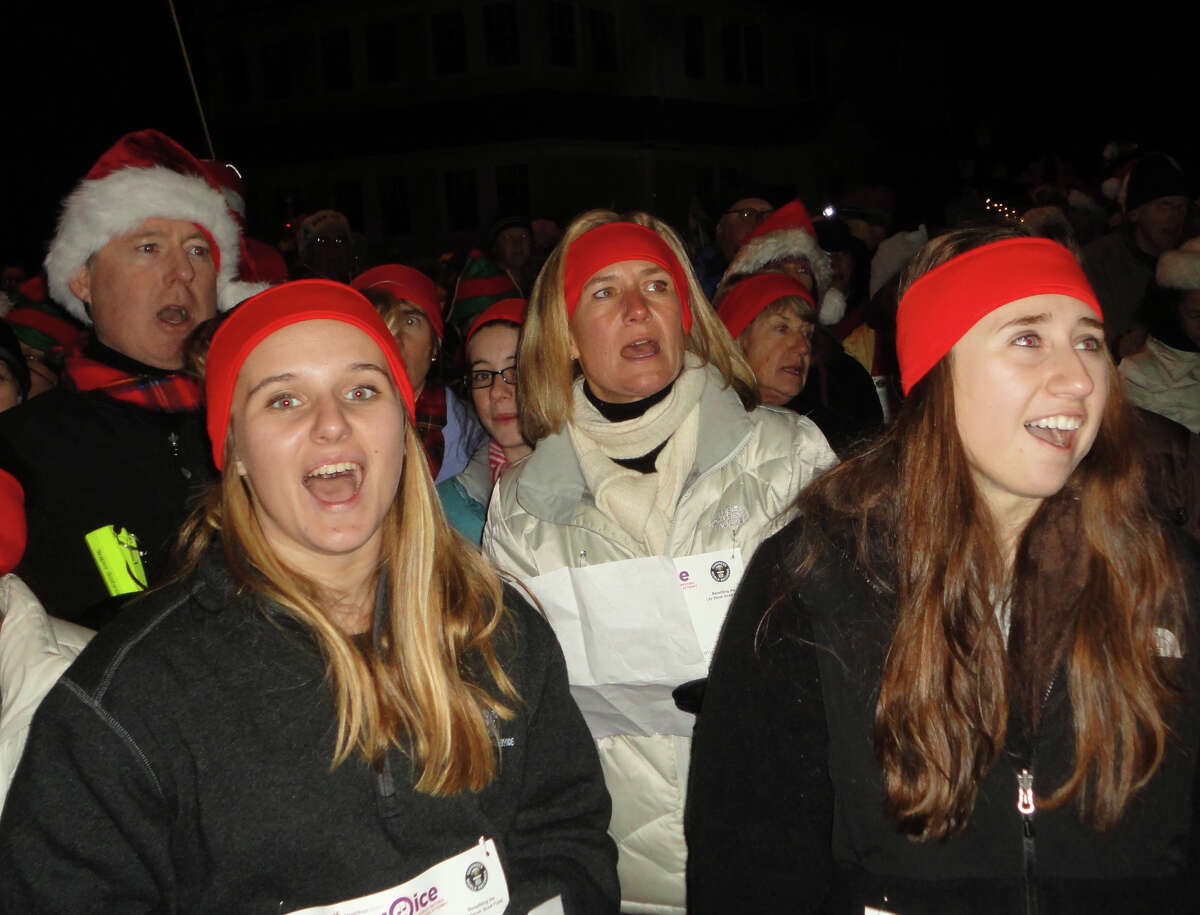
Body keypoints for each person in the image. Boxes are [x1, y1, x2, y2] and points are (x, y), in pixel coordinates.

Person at [0, 279, 619, 912]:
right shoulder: (126, 703)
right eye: (284, 399)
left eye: (361, 391)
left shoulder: (496, 628)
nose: (331, 423)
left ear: (402, 428)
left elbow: (565, 833)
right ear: (234, 448)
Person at [686, 227, 1199, 913]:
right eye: (1027, 337)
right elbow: (749, 867)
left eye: (1088, 340)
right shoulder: (816, 580)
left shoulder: (1168, 580)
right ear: (939, 366)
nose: (1080, 378)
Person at [483, 210, 836, 913]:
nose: (638, 307)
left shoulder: (789, 458)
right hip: (617, 880)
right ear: (569, 338)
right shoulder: (522, 507)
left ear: (686, 315)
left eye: (656, 286)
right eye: (604, 292)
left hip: (777, 862)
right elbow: (520, 718)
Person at [0, 128, 264, 625]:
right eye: (148, 247)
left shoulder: (261, 418)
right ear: (83, 280)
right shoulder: (23, 446)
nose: (183, 273)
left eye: (198, 251)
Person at [352, 264, 486, 483]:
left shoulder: (473, 439)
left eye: (411, 322)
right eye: (381, 322)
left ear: (435, 344)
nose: (395, 340)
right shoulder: (333, 424)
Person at [438, 297, 530, 543]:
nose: (497, 391)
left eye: (516, 371)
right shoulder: (449, 512)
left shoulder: (601, 481)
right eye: (482, 375)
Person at [715, 271, 815, 406]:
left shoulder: (819, 425)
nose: (803, 347)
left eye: (807, 334)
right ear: (737, 339)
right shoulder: (695, 414)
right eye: (782, 328)